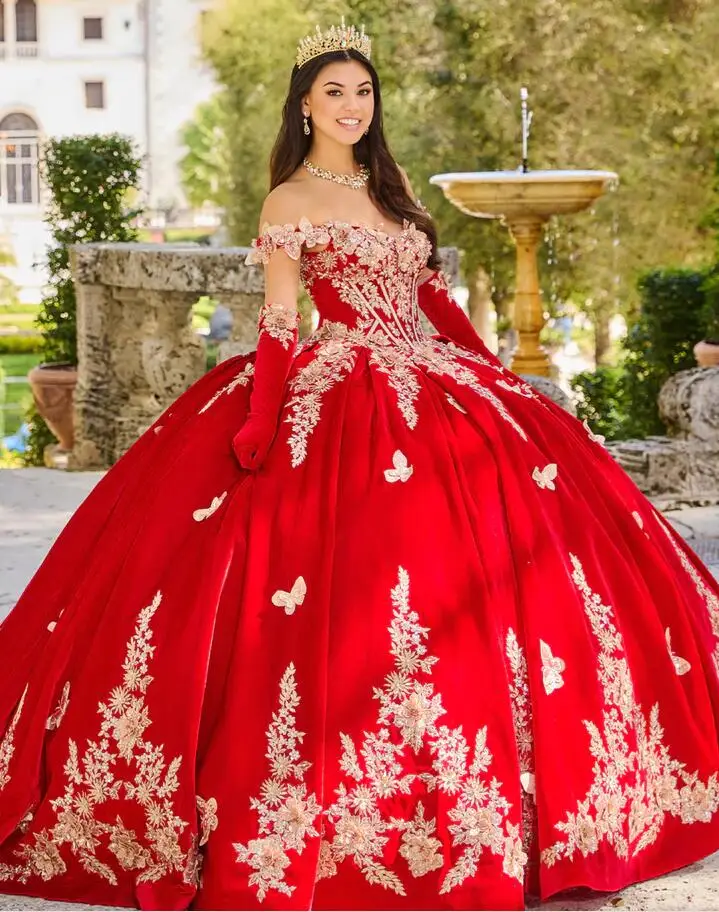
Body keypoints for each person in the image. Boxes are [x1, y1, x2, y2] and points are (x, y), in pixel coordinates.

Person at [1, 20, 719, 912]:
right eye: (334, 91)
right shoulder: (288, 202)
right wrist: (261, 420)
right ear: (304, 103)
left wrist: (492, 374)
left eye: (363, 91)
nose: (351, 106)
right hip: (342, 381)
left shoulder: (391, 185)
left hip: (439, 377)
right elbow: (277, 322)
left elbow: (431, 302)